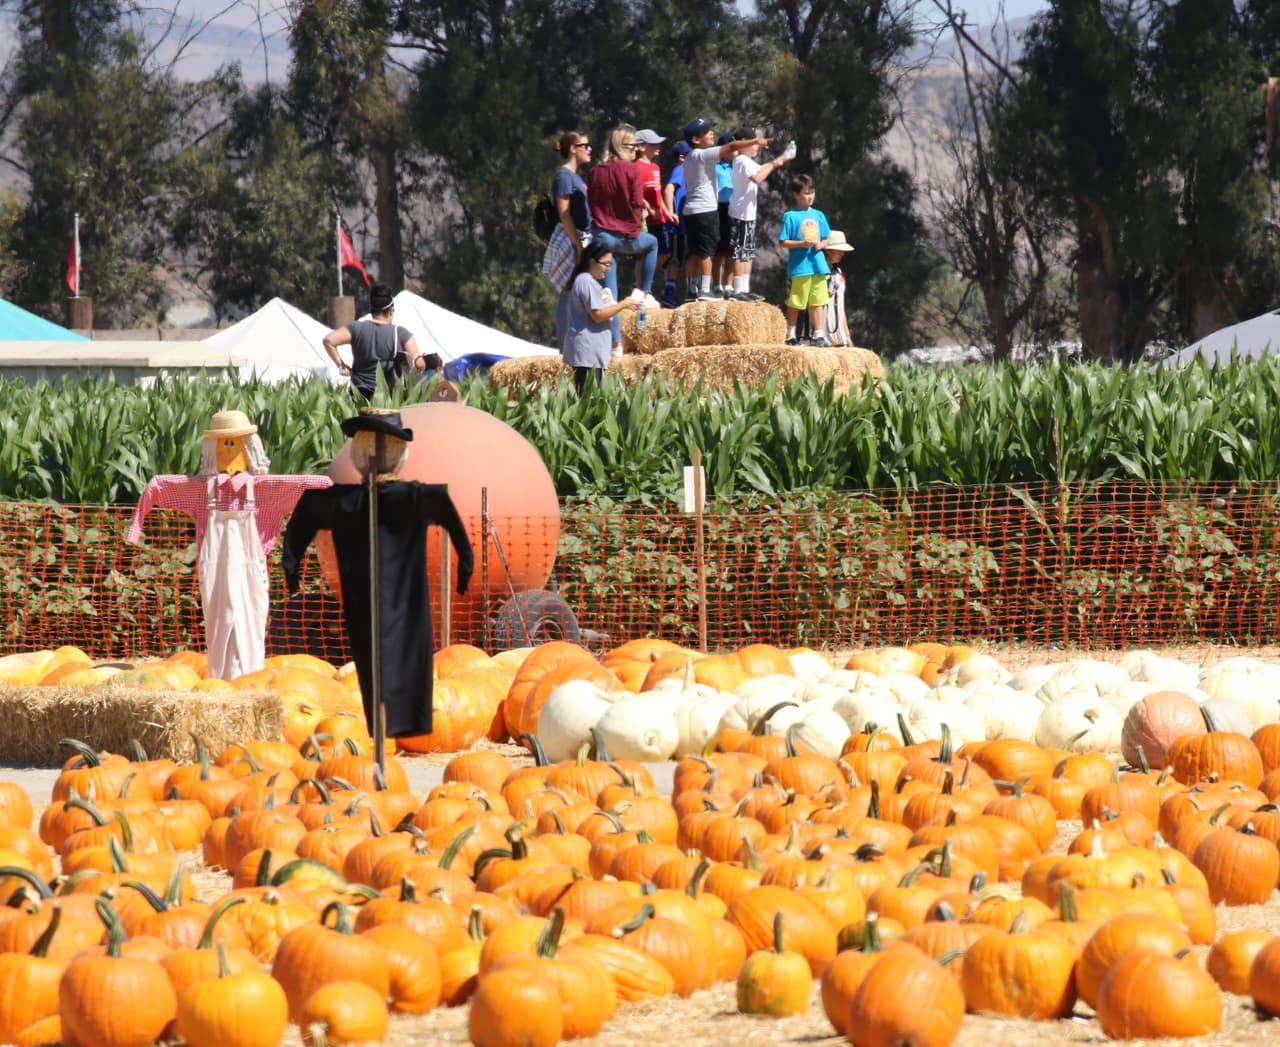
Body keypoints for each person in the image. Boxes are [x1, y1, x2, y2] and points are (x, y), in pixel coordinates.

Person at [282, 408, 474, 740]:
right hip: (397, 603)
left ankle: (396, 726)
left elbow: (304, 519)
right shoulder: (412, 497)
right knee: (395, 660)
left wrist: (292, 566)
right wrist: (465, 569)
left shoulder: (344, 500)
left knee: (386, 661)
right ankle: (395, 727)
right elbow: (450, 517)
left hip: (372, 601)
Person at [680, 118, 772, 302]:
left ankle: (691, 289)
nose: (711, 133)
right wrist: (754, 141)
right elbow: (730, 148)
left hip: (691, 209)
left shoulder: (691, 157)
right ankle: (705, 289)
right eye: (706, 132)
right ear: (695, 140)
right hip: (705, 209)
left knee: (694, 252)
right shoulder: (700, 155)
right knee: (708, 251)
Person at [587, 123, 661, 349]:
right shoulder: (631, 170)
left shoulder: (595, 171)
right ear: (621, 146)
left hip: (600, 237)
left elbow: (592, 202)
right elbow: (637, 203)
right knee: (652, 243)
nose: (636, 150)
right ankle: (645, 292)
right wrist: (642, 214)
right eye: (632, 146)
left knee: (611, 296)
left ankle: (616, 345)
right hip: (624, 235)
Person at [563, 240, 640, 393]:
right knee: (588, 397)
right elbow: (598, 315)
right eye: (606, 264)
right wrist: (623, 304)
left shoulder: (587, 281)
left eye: (610, 264)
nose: (608, 269)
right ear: (592, 261)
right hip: (587, 353)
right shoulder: (586, 281)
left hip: (591, 353)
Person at [322, 284, 424, 398]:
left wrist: (341, 365)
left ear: (372, 310)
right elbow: (418, 364)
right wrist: (423, 362)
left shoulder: (356, 328)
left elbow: (328, 340)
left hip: (359, 395)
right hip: (387, 397)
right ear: (391, 311)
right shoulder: (401, 333)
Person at [542, 131, 594, 350]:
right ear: (573, 149)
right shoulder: (563, 176)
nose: (590, 148)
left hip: (581, 236)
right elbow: (564, 213)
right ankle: (564, 345)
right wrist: (578, 245)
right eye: (585, 145)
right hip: (572, 236)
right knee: (568, 288)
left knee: (576, 289)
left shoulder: (575, 176)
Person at [728, 127, 793, 302]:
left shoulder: (747, 161)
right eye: (753, 142)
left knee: (747, 252)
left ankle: (744, 288)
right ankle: (738, 289)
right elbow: (757, 177)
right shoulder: (741, 160)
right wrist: (775, 163)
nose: (757, 146)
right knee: (741, 252)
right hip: (740, 213)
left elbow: (761, 168)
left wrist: (780, 160)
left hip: (747, 214)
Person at [778, 173, 832, 347]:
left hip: (819, 266)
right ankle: (791, 333)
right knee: (796, 301)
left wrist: (821, 245)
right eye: (806, 193)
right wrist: (802, 243)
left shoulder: (819, 215)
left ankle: (818, 334)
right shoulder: (790, 216)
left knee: (817, 301)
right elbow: (783, 242)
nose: (810, 197)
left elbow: (826, 237)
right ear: (795, 195)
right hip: (800, 267)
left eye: (812, 192)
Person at [633, 129, 674, 301]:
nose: (658, 147)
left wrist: (667, 212)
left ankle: (645, 282)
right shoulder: (636, 167)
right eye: (653, 144)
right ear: (641, 147)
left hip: (659, 219)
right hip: (644, 219)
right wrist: (648, 209)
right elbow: (636, 194)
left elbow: (657, 193)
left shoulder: (656, 167)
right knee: (642, 256)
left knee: (666, 252)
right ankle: (639, 288)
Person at [660, 141, 691, 306]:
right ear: (682, 157)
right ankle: (669, 290)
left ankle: (670, 289)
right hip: (676, 224)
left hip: (682, 224)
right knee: (674, 258)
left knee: (677, 257)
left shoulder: (685, 171)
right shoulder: (680, 170)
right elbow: (668, 189)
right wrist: (671, 212)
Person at [820, 231, 854, 346]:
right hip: (822, 338)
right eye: (839, 250)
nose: (843, 253)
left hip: (840, 338)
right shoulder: (817, 273)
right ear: (827, 250)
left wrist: (847, 336)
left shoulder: (839, 272)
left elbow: (840, 307)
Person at [714, 131, 736, 298]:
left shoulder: (739, 166)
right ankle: (716, 284)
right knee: (719, 249)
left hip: (735, 208)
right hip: (719, 207)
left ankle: (729, 284)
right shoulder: (715, 166)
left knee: (732, 250)